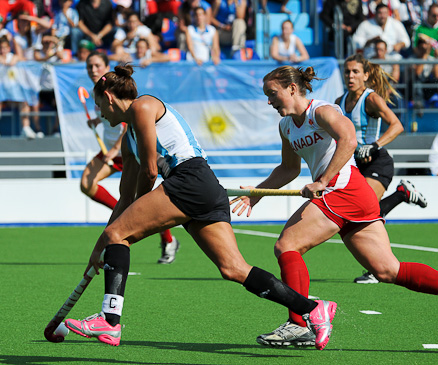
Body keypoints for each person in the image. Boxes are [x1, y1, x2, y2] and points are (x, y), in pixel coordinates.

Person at [56, 64, 337, 350]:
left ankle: (110, 321)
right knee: (233, 268)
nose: (100, 112)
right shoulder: (128, 141)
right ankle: (312, 308)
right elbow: (125, 199)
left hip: (188, 180)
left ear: (109, 97)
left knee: (119, 235)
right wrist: (101, 243)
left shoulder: (143, 106)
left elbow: (151, 171)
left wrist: (118, 232)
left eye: (99, 104)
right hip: (203, 189)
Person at [231, 65, 438, 348]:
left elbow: (349, 139)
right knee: (387, 270)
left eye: (272, 93)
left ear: (292, 89)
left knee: (286, 246)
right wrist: (258, 193)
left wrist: (322, 180)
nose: (269, 101)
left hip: (343, 189)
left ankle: (298, 323)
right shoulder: (286, 126)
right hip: (352, 195)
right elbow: (288, 169)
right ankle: (300, 322)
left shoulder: (322, 111)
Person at [337, 54, 428, 284]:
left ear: (366, 75)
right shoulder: (339, 101)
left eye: (356, 72)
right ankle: (402, 193)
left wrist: (374, 145)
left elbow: (397, 125)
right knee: (358, 214)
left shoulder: (372, 99)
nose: (350, 76)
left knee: (366, 210)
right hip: (355, 167)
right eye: (347, 71)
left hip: (378, 162)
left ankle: (375, 269)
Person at [83, 52, 179, 263]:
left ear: (106, 66)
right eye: (89, 66)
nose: (93, 70)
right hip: (114, 150)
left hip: (124, 151)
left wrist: (116, 148)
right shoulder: (98, 93)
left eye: (97, 65)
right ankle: (122, 214)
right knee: (88, 184)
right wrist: (97, 123)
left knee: (140, 203)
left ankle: (167, 238)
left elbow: (129, 125)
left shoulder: (119, 94)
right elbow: (111, 119)